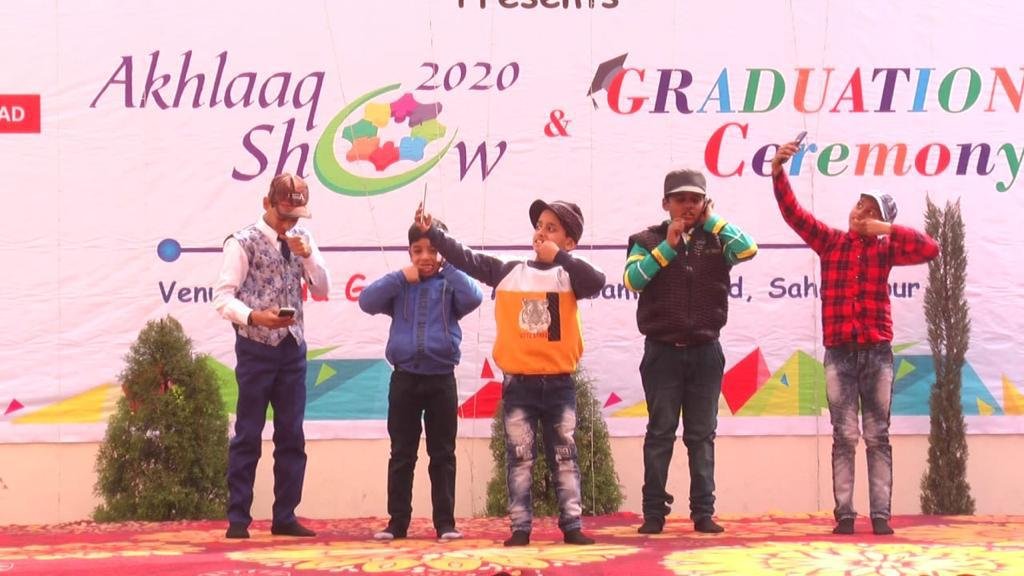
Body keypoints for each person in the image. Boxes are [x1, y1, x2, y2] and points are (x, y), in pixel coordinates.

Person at [414, 199, 605, 547]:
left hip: (559, 383)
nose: (541, 233)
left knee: (565, 456)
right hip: (519, 384)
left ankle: (572, 524)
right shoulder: (509, 271)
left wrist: (559, 258)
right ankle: (520, 527)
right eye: (540, 226)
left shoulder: (570, 275)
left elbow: (597, 281)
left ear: (569, 242)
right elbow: (466, 258)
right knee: (520, 457)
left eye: (552, 229)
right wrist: (433, 234)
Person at [771, 141, 939, 535]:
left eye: (869, 210)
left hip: (877, 353)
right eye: (858, 205)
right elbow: (794, 215)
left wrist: (887, 230)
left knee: (878, 435)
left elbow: (931, 249)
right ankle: (844, 515)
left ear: (880, 221)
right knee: (844, 435)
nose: (859, 212)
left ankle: (881, 516)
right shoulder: (831, 242)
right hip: (840, 354)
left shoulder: (886, 249)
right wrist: (777, 170)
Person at [624, 168, 758, 535]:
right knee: (660, 433)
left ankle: (703, 513)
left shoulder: (717, 239)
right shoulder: (646, 240)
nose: (688, 205)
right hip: (661, 352)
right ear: (665, 203)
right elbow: (633, 280)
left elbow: (749, 249)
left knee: (701, 435)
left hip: (705, 351)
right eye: (680, 199)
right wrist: (667, 247)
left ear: (705, 202)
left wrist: (712, 221)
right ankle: (653, 513)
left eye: (696, 199)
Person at [213, 173, 331, 539]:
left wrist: (307, 256)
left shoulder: (303, 240)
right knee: (248, 433)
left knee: (291, 435)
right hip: (256, 348)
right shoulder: (242, 242)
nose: (289, 224)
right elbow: (223, 298)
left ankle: (285, 516)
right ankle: (238, 520)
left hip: (292, 349)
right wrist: (254, 317)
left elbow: (323, 289)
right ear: (267, 204)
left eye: (295, 216)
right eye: (284, 215)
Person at [358, 219, 483, 541]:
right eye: (418, 250)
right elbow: (366, 301)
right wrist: (401, 276)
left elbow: (475, 297)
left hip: (442, 381)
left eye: (433, 250)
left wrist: (449, 266)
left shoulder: (449, 284)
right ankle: (397, 523)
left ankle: (445, 523)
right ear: (409, 253)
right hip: (404, 380)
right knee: (402, 454)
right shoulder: (401, 284)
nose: (425, 256)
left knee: (443, 455)